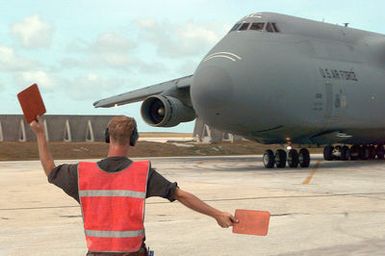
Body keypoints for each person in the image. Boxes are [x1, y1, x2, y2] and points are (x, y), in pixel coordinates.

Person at [30, 115, 238, 256]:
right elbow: (181, 195)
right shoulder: (143, 174)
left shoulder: (81, 173)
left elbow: (50, 170)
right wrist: (217, 214)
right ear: (134, 139)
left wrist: (40, 133)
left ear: (106, 137)